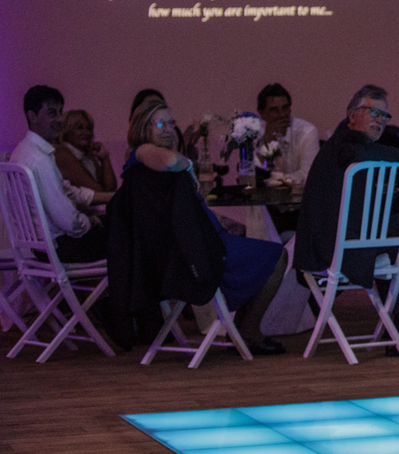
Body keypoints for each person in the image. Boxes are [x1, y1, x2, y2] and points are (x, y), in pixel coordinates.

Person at [294, 85, 399, 357]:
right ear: (352, 115)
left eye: (385, 115)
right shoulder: (344, 143)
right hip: (332, 245)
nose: (381, 120)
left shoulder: (361, 147)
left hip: (352, 238)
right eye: (374, 113)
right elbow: (359, 156)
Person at [119, 98, 288, 354]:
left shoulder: (147, 163)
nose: (168, 129)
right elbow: (168, 161)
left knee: (260, 247)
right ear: (144, 128)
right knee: (278, 256)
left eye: (171, 123)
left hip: (195, 246)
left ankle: (242, 334)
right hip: (194, 254)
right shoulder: (142, 153)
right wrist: (187, 165)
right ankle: (249, 333)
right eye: (161, 123)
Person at [11, 86, 109, 263]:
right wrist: (90, 221)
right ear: (32, 116)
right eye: (51, 113)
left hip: (41, 248)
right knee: (130, 231)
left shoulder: (21, 151)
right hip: (61, 248)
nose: (59, 119)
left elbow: (68, 191)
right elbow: (68, 222)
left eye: (60, 112)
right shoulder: (40, 160)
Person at [257, 83, 320, 185]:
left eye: (285, 108)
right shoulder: (254, 133)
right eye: (274, 110)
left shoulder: (307, 132)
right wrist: (267, 139)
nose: (282, 115)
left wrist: (278, 179)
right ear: (262, 113)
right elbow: (255, 175)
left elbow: (308, 174)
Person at [54, 109, 119, 194]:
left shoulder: (88, 158)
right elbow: (96, 192)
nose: (86, 132)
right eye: (79, 128)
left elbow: (110, 189)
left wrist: (105, 158)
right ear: (66, 131)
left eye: (88, 128)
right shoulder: (61, 154)